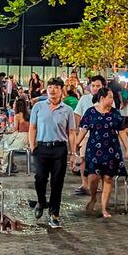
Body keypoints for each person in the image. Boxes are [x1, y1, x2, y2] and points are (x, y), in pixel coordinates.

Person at [29, 77, 77, 228]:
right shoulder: (38, 107)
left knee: (57, 182)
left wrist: (73, 152)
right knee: (40, 179)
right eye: (50, 87)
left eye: (56, 87)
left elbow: (71, 132)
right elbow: (32, 128)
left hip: (59, 149)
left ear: (61, 90)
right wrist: (32, 146)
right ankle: (41, 201)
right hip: (42, 148)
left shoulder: (67, 110)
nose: (52, 90)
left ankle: (54, 214)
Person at [79, 87, 128, 219]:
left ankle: (104, 208)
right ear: (102, 98)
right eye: (110, 97)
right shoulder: (90, 112)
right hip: (94, 150)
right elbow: (83, 130)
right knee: (93, 178)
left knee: (108, 178)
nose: (112, 100)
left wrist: (127, 148)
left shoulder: (115, 113)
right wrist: (75, 145)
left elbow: (122, 131)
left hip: (112, 150)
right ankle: (93, 198)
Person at [72, 75, 106, 197]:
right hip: (85, 135)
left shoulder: (107, 99)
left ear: (103, 87)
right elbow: (77, 114)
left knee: (101, 161)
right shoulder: (84, 99)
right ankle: (84, 184)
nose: (95, 88)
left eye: (98, 86)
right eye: (93, 86)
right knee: (83, 159)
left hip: (102, 136)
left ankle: (100, 185)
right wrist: (77, 130)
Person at [0, 97, 30, 170]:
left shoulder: (17, 116)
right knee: (3, 141)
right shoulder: (28, 115)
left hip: (20, 138)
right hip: (27, 138)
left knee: (3, 142)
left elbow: (15, 129)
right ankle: (1, 163)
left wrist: (6, 131)